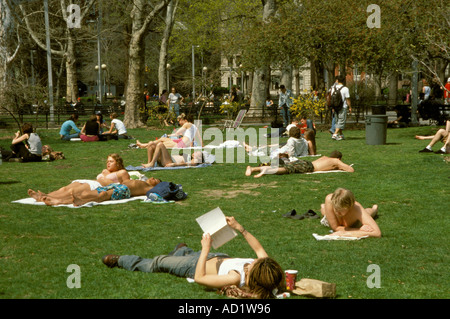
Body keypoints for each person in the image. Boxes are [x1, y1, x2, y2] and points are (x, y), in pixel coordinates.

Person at [101, 216, 285, 299]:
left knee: (157, 263)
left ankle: (120, 260)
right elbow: (258, 248)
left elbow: (200, 279)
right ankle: (182, 250)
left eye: (254, 265)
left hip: (195, 265)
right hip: (217, 256)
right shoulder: (265, 268)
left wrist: (205, 249)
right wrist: (240, 228)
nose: (254, 261)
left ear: (254, 276)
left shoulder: (236, 277)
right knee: (183, 252)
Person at [27, 154, 130, 205]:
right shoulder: (104, 171)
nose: (108, 163)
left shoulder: (121, 172)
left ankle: (52, 199)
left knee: (72, 191)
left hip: (97, 186)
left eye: (111, 161)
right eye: (107, 161)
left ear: (118, 163)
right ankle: (44, 195)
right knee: (64, 189)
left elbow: (127, 185)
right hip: (88, 181)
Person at [245, 150, 354, 178]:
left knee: (286, 166)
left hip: (305, 162)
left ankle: (255, 169)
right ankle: (265, 170)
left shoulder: (325, 157)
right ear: (338, 158)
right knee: (287, 170)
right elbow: (350, 170)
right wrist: (340, 165)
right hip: (308, 167)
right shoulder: (336, 161)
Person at [68, 177, 161, 207]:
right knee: (87, 193)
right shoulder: (143, 181)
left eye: (155, 180)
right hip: (117, 186)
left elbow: (161, 190)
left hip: (124, 190)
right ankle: (77, 198)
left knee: (103, 195)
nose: (152, 178)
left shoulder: (149, 188)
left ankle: (82, 201)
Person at [136, 113, 202, 150]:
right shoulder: (194, 127)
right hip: (181, 142)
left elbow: (176, 133)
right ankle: (144, 145)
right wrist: (201, 146)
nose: (179, 123)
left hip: (181, 144)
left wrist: (169, 135)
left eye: (179, 121)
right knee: (162, 139)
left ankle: (144, 146)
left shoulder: (187, 124)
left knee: (161, 144)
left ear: (184, 120)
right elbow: (199, 139)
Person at [330, 75, 351, 140]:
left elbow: (331, 98)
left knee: (337, 120)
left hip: (335, 107)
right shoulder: (345, 89)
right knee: (341, 121)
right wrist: (350, 107)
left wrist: (333, 107)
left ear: (337, 80)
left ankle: (341, 135)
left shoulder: (333, 88)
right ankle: (335, 134)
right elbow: (347, 99)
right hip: (342, 106)